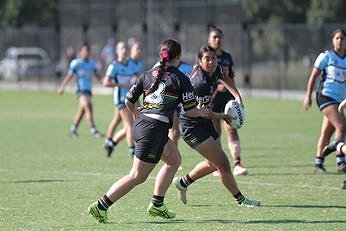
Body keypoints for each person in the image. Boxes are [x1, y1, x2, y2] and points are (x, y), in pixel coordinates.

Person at [88, 38, 209, 223]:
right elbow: (191, 111)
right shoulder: (180, 78)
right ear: (179, 56)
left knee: (174, 159)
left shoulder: (147, 74)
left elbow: (128, 100)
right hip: (154, 130)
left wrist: (138, 115)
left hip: (146, 126)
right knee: (137, 176)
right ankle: (101, 205)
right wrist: (202, 111)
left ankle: (157, 204)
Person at [173, 45, 260, 207]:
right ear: (200, 61)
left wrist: (237, 98)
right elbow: (203, 112)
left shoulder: (217, 70)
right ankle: (241, 200)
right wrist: (224, 117)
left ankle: (183, 183)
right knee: (223, 164)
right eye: (207, 59)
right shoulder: (199, 84)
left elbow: (226, 80)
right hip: (191, 125)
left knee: (213, 163)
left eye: (214, 58)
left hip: (203, 121)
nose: (212, 62)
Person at [303, 28, 346, 173]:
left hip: (340, 101)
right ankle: (341, 161)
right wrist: (308, 95)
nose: (340, 41)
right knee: (341, 126)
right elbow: (313, 76)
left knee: (327, 132)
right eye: (337, 38)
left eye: (342, 38)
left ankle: (318, 162)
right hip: (325, 96)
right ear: (333, 41)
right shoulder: (326, 56)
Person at [207, 25, 248, 176]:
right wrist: (216, 89)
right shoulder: (204, 58)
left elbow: (230, 78)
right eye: (214, 37)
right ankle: (218, 165)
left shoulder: (227, 57)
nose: (217, 40)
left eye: (219, 37)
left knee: (232, 129)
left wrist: (237, 97)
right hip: (211, 100)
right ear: (209, 40)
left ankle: (237, 163)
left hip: (227, 101)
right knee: (215, 134)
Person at [103, 41, 139, 157]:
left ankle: (111, 143)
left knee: (131, 126)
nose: (124, 50)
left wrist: (135, 79)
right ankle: (132, 152)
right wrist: (121, 85)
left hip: (133, 98)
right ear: (117, 51)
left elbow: (136, 77)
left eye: (125, 48)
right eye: (121, 48)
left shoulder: (131, 64)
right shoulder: (114, 66)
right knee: (130, 126)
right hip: (121, 99)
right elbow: (106, 83)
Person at [58, 42, 102, 138]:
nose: (86, 53)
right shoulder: (76, 63)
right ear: (80, 52)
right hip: (80, 91)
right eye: (84, 51)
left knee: (82, 111)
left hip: (88, 91)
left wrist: (103, 82)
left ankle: (73, 129)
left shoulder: (92, 64)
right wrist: (62, 86)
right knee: (87, 107)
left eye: (87, 51)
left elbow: (97, 75)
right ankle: (93, 129)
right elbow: (69, 76)